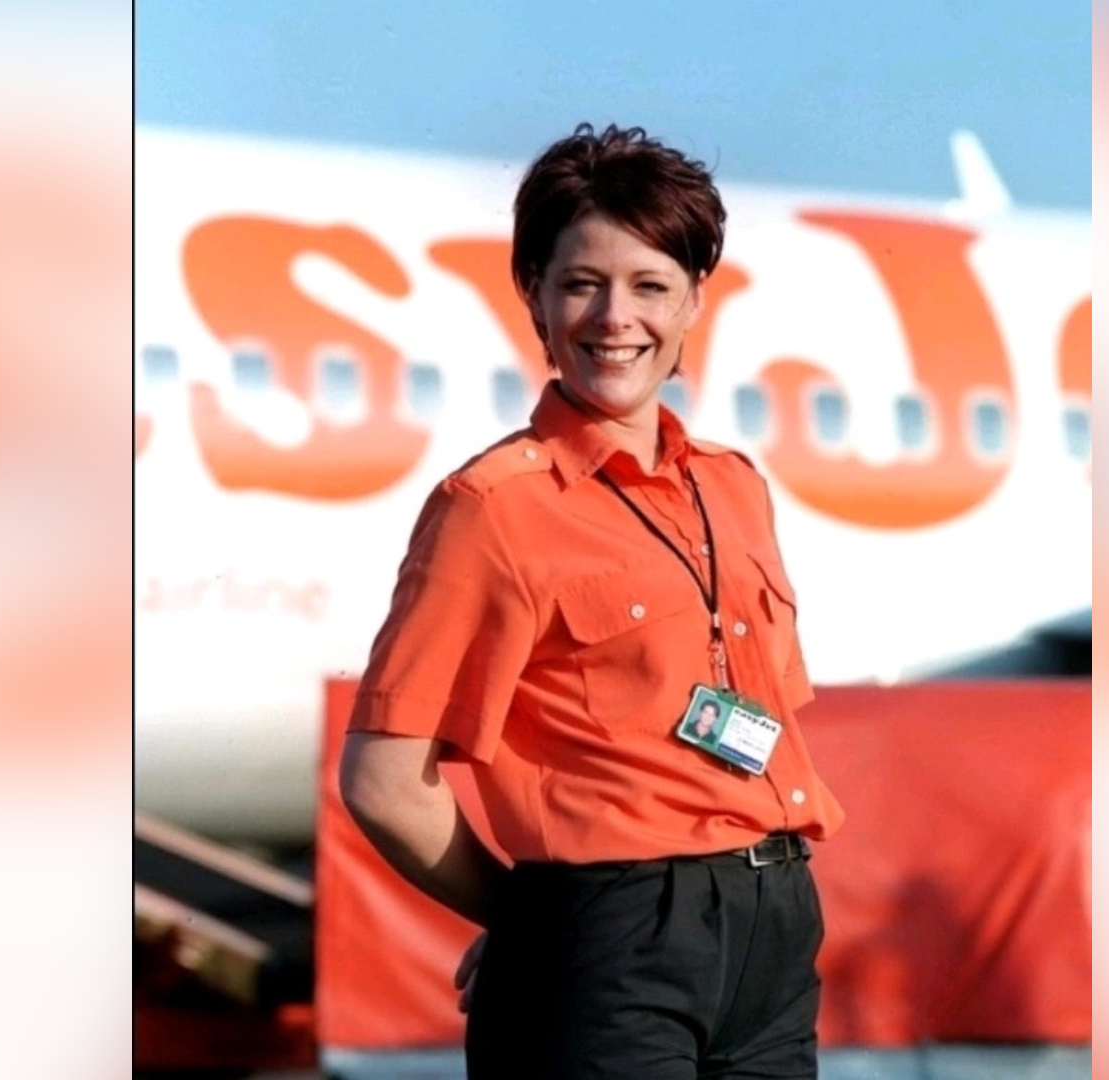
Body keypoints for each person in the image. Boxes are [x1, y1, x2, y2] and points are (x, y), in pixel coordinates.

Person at [339, 122, 844, 1080]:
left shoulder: (735, 490)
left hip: (774, 939)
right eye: (582, 283)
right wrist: (543, 928)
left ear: (695, 299)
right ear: (533, 292)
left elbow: (762, 733)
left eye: (651, 285)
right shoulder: (492, 508)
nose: (617, 317)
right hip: (607, 936)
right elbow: (382, 781)